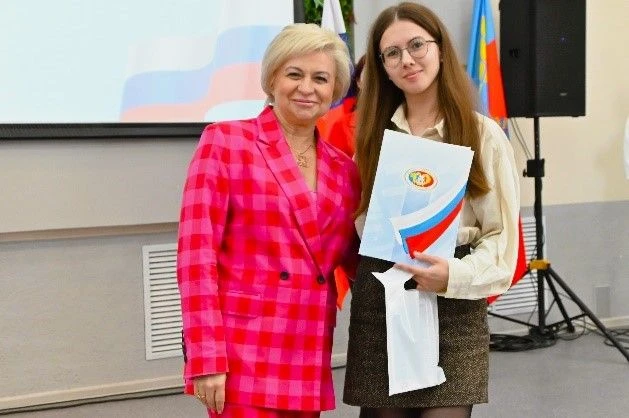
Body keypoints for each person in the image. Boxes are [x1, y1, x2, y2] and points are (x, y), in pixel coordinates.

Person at [343, 3, 520, 418]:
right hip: (383, 302)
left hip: (452, 302)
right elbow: (359, 220)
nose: (407, 60)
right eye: (392, 53)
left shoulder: (482, 134)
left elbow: (502, 239)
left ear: (440, 48)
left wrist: (453, 275)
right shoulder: (372, 137)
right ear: (382, 67)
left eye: (417, 45)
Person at [177, 23, 360, 418]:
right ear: (272, 79)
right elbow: (196, 258)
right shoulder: (225, 142)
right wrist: (206, 358)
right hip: (242, 352)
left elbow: (356, 259)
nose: (307, 88)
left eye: (320, 78)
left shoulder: (345, 169)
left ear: (334, 90)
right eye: (295, 74)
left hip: (307, 349)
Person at [325, 54, 366, 157]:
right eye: (369, 75)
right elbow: (334, 164)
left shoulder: (401, 118)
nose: (376, 81)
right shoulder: (341, 126)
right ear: (358, 82)